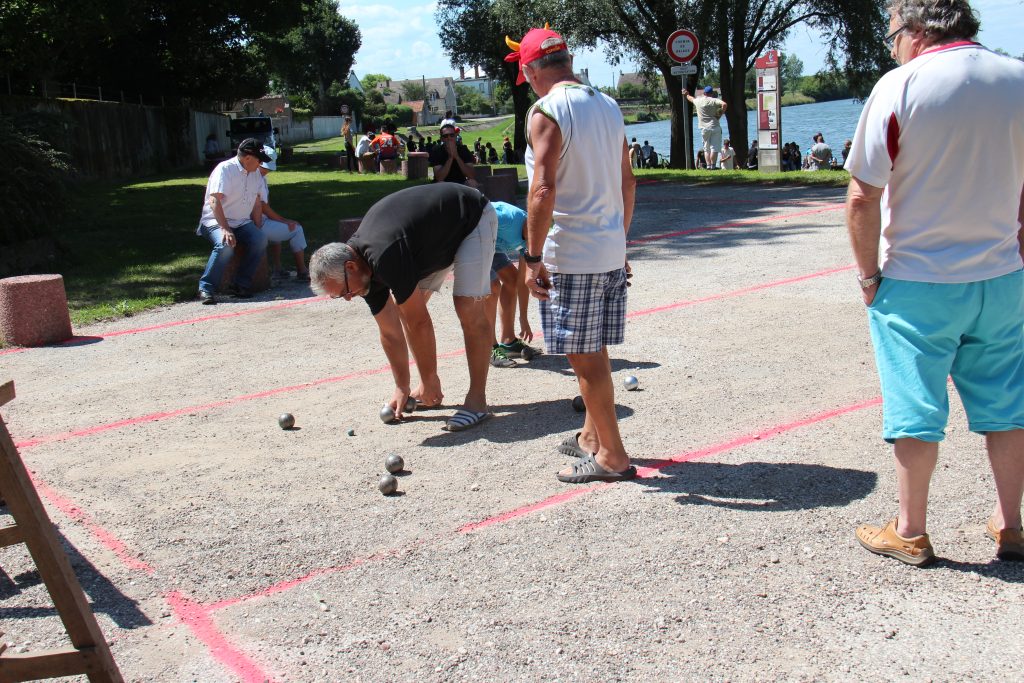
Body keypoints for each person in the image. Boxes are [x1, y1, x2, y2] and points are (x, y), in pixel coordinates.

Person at [847, 0, 1024, 566]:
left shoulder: (900, 86)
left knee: (915, 407)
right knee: (1008, 405)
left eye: (893, 34)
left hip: (920, 277)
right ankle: (1012, 523)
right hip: (1002, 274)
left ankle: (912, 529)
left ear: (918, 31)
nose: (892, 45)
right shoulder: (1017, 77)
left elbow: (862, 194)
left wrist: (868, 274)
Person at [505, 25, 637, 483]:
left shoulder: (546, 111)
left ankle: (612, 458)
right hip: (607, 248)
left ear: (530, 70)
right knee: (593, 351)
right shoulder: (608, 105)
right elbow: (628, 181)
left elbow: (543, 187)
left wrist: (533, 257)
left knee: (585, 358)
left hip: (571, 253)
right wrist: (619, 242)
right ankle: (590, 437)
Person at [308, 183, 498, 432]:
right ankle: (426, 387)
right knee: (404, 307)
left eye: (344, 292)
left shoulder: (383, 254)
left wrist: (430, 380)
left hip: (471, 217)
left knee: (466, 305)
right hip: (434, 240)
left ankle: (476, 402)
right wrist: (402, 386)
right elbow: (389, 330)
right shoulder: (362, 271)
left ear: (350, 267)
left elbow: (419, 322)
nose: (348, 298)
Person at [195, 138, 270, 304]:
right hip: (214, 221)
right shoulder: (225, 169)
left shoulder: (255, 173)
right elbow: (215, 201)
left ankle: (241, 284)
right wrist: (225, 228)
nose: (260, 165)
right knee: (225, 246)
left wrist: (257, 228)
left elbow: (257, 204)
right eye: (259, 160)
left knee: (260, 240)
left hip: (241, 222)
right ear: (248, 158)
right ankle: (206, 288)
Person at [254, 146, 310, 281]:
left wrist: (280, 220)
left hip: (257, 221)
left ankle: (278, 269)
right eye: (265, 167)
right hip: (257, 223)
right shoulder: (256, 178)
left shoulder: (256, 177)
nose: (266, 171)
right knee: (297, 229)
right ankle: (302, 271)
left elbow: (264, 206)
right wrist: (284, 221)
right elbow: (263, 207)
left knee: (277, 235)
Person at [683, 85, 727, 168]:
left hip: (704, 128)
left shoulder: (698, 101)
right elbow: (724, 104)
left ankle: (708, 166)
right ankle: (713, 165)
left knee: (706, 148)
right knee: (714, 148)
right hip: (715, 126)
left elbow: (691, 99)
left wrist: (686, 95)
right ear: (712, 93)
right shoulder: (714, 100)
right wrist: (719, 115)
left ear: (704, 93)